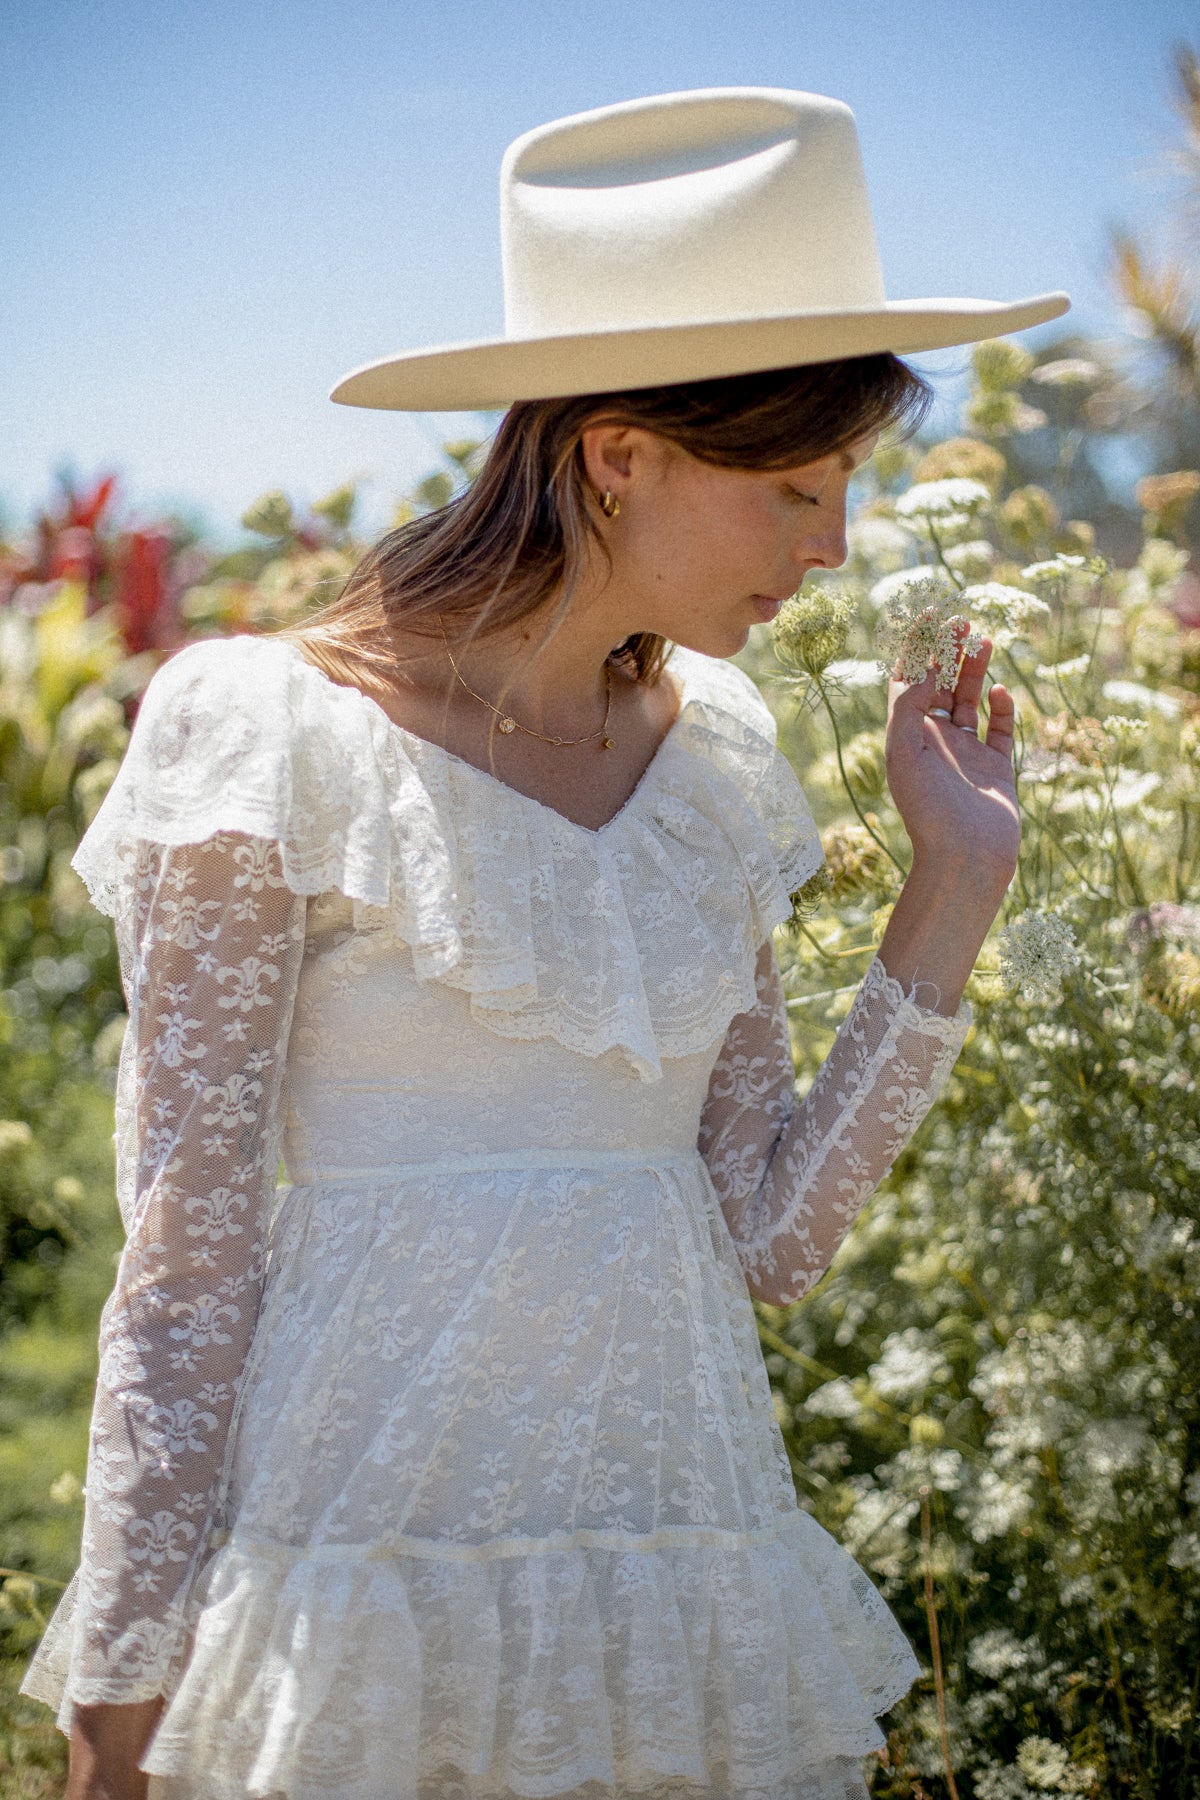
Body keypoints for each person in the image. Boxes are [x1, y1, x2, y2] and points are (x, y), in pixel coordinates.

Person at [25, 86, 1066, 1800]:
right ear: (616, 453)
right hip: (356, 1591)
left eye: (847, 485)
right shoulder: (261, 733)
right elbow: (185, 1268)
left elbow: (770, 1233)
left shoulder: (721, 755)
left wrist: (954, 883)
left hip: (684, 1587)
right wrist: (119, 1702)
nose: (837, 543)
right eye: (797, 485)